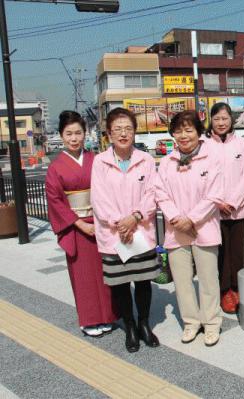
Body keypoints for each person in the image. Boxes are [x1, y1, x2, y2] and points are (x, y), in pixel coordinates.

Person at [91, 107, 161, 353]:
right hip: (113, 234)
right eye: (117, 129)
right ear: (109, 134)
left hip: (140, 229)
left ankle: (144, 324)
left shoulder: (146, 160)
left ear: (134, 131)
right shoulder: (100, 162)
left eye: (128, 128)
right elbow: (99, 198)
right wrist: (119, 223)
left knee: (143, 281)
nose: (123, 133)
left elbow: (153, 192)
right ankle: (129, 326)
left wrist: (135, 218)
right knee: (119, 284)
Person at [46, 110, 117, 337]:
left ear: (85, 134)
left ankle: (108, 315)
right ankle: (89, 320)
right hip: (76, 226)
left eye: (78, 133)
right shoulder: (56, 167)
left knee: (105, 272)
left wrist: (102, 220)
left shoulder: (95, 160)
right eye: (69, 134)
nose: (74, 138)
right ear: (61, 136)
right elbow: (56, 201)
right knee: (83, 275)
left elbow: (108, 190)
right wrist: (79, 223)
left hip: (100, 222)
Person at [155, 110, 223, 346]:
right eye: (178, 130)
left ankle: (212, 322)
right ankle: (191, 322)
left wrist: (191, 219)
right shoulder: (166, 163)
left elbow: (214, 194)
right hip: (176, 230)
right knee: (182, 281)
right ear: (172, 134)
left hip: (204, 228)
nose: (183, 135)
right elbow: (160, 194)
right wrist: (177, 219)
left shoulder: (211, 158)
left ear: (198, 131)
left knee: (208, 279)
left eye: (188, 130)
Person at [205, 102, 244, 314]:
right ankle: (225, 291)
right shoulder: (204, 144)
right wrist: (217, 202)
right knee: (220, 254)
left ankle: (238, 289)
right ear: (211, 121)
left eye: (225, 118)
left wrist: (233, 203)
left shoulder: (242, 144)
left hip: (238, 210)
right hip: (214, 212)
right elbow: (202, 179)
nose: (221, 123)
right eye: (217, 119)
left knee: (237, 253)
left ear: (231, 120)